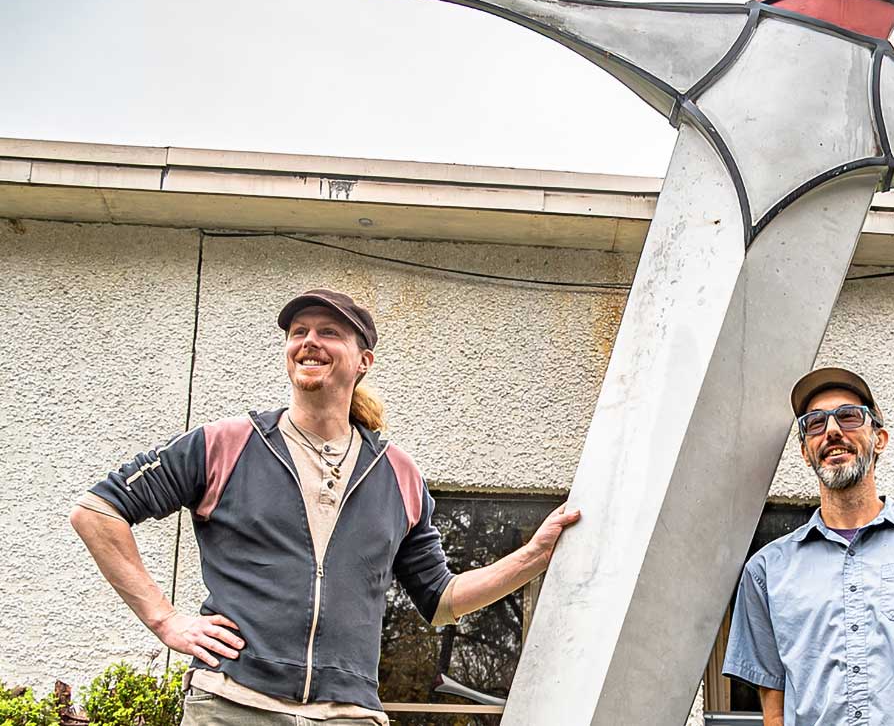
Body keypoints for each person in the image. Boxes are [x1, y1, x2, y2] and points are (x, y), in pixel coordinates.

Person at [70, 289, 580, 725]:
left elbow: (443, 598)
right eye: (299, 332)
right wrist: (165, 620)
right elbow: (97, 511)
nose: (309, 341)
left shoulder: (398, 473)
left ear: (363, 361)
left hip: (349, 714)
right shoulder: (224, 444)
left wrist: (534, 556)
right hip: (234, 703)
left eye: (329, 332)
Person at [723, 367, 894, 726]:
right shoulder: (766, 571)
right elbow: (775, 711)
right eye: (815, 423)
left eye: (849, 416)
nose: (832, 431)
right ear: (806, 453)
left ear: (879, 439)